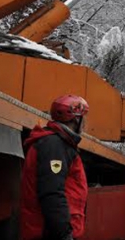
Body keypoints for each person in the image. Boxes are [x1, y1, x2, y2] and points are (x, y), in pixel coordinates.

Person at [21, 95, 89, 240]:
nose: (85, 125)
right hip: (49, 233)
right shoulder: (54, 146)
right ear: (76, 120)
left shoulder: (59, 144)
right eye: (84, 119)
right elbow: (52, 193)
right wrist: (64, 234)